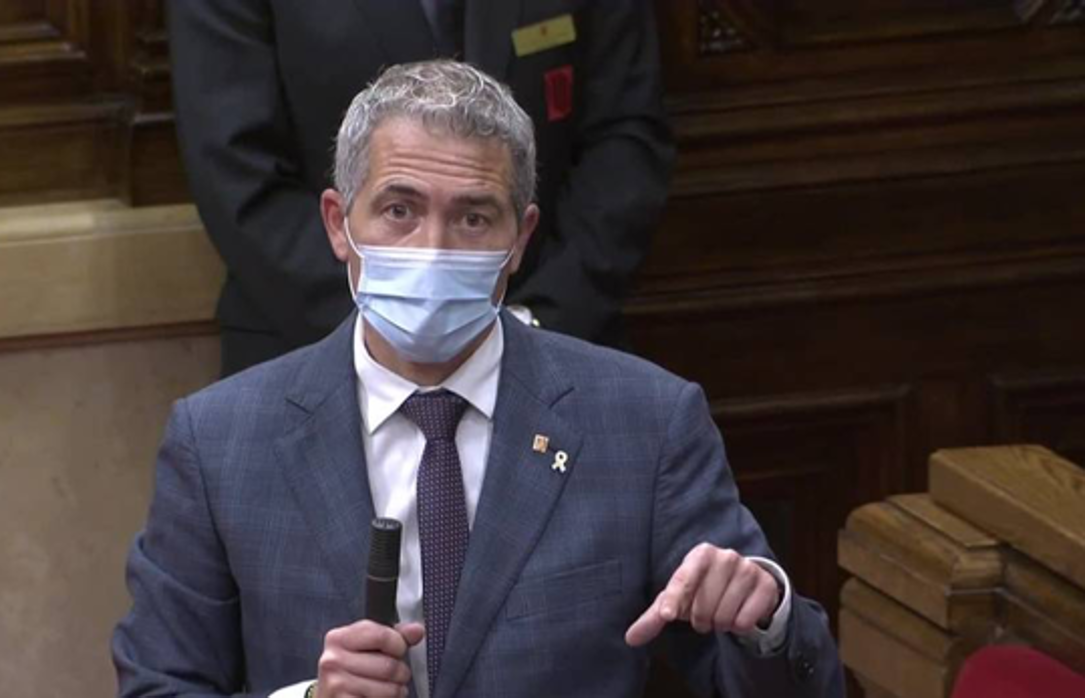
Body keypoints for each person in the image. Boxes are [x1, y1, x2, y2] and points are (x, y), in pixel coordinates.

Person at [113, 61, 842, 698]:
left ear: (520, 239)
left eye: (472, 218)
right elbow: (159, 685)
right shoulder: (220, 441)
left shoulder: (646, 422)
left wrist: (765, 617)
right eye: (399, 211)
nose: (432, 249)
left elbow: (793, 683)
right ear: (339, 224)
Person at [167, 0, 674, 376]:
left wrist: (532, 324)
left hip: (555, 345)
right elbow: (237, 171)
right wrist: (393, 328)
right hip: (311, 349)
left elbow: (625, 137)